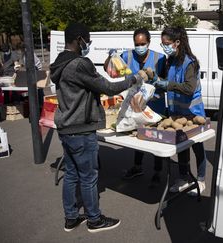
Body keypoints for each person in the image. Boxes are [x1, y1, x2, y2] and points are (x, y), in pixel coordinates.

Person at [50, 23, 145, 233]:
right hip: (81, 129)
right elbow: (109, 88)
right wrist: (136, 78)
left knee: (72, 175)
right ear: (79, 40)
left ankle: (71, 217)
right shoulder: (80, 64)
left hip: (66, 128)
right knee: (89, 177)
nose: (89, 44)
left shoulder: (59, 62)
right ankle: (94, 219)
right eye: (88, 39)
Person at [153, 26, 207, 196]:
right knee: (182, 147)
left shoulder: (190, 62)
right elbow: (167, 84)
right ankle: (184, 178)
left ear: (177, 42)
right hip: (176, 113)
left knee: (197, 147)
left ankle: (200, 179)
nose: (165, 47)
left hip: (193, 113)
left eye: (167, 43)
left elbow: (189, 88)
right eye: (162, 44)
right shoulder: (170, 61)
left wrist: (168, 85)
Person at [119, 28, 167, 186]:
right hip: (136, 106)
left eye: (143, 44)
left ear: (149, 42)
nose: (139, 47)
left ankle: (158, 171)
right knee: (138, 137)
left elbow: (166, 82)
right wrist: (110, 58)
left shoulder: (159, 58)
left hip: (155, 106)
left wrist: (155, 78)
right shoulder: (127, 56)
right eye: (137, 44)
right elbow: (111, 68)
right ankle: (138, 167)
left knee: (155, 139)